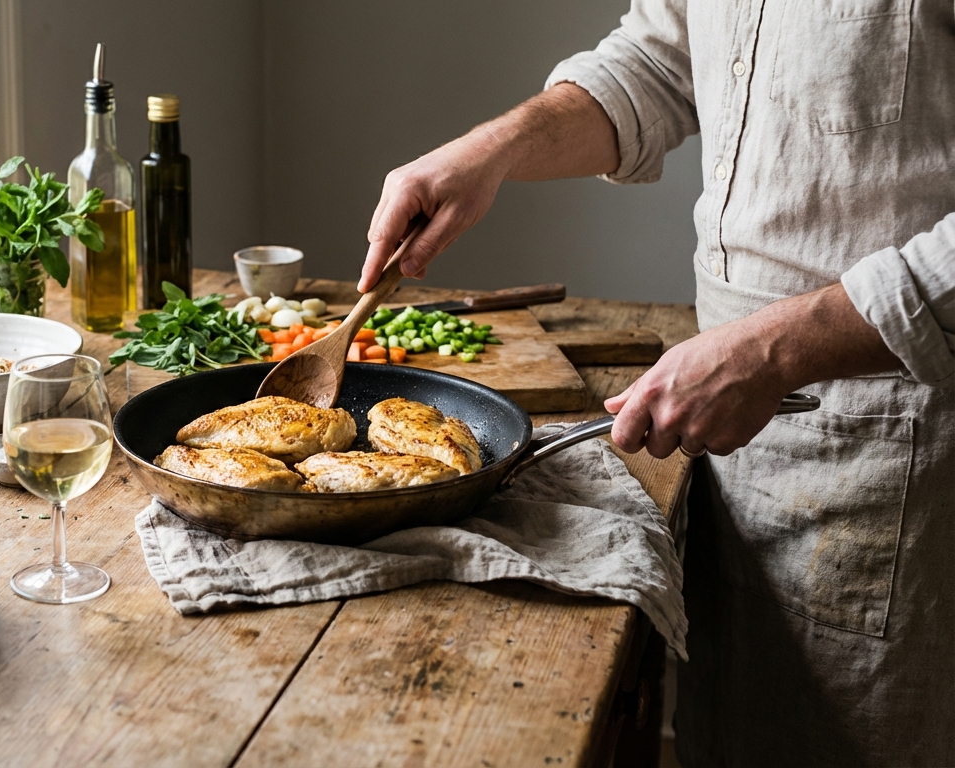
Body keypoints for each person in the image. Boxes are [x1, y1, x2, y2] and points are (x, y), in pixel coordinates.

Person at [357, 2, 955, 765]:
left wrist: (773, 352)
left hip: (901, 438)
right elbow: (661, 61)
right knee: (727, 730)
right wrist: (493, 149)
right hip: (726, 420)